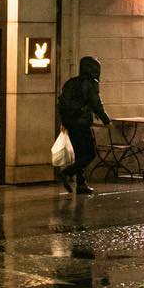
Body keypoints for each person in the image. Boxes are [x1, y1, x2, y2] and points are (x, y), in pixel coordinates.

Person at [56, 55, 112, 194]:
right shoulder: (90, 83)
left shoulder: (72, 82)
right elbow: (96, 103)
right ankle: (67, 173)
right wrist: (106, 120)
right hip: (81, 123)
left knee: (80, 154)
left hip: (69, 122)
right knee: (89, 154)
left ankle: (81, 184)